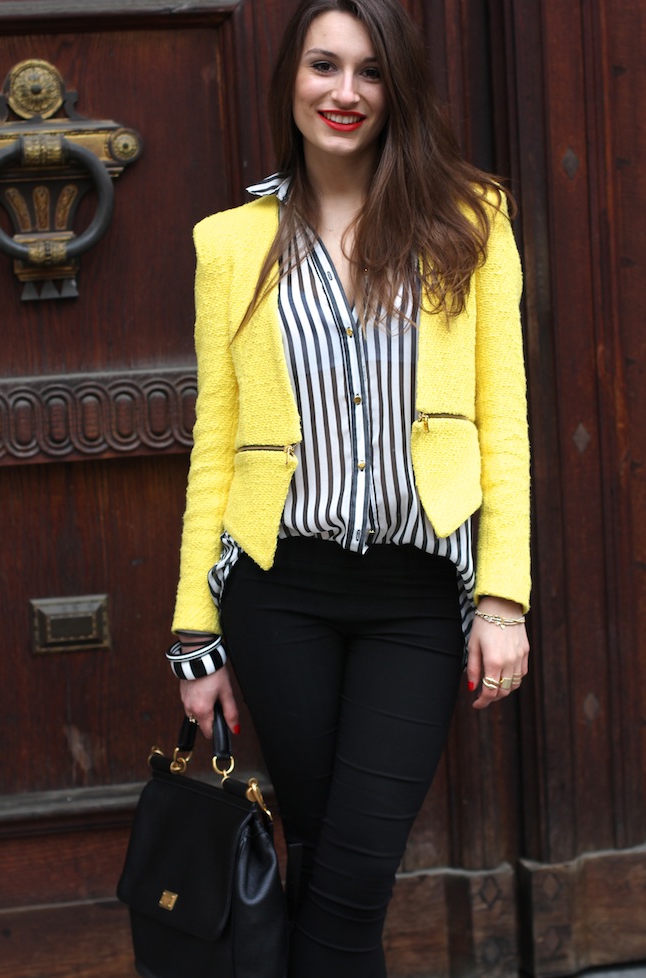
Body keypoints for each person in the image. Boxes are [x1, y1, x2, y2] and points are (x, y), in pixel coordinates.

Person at [169, 0, 530, 975]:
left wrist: (503, 598)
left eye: (370, 71)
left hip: (415, 601)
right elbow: (215, 444)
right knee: (325, 867)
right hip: (277, 593)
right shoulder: (229, 243)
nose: (345, 91)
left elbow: (503, 420)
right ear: (290, 78)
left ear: (397, 87)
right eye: (324, 65)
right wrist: (194, 633)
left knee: (351, 876)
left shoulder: (471, 221)